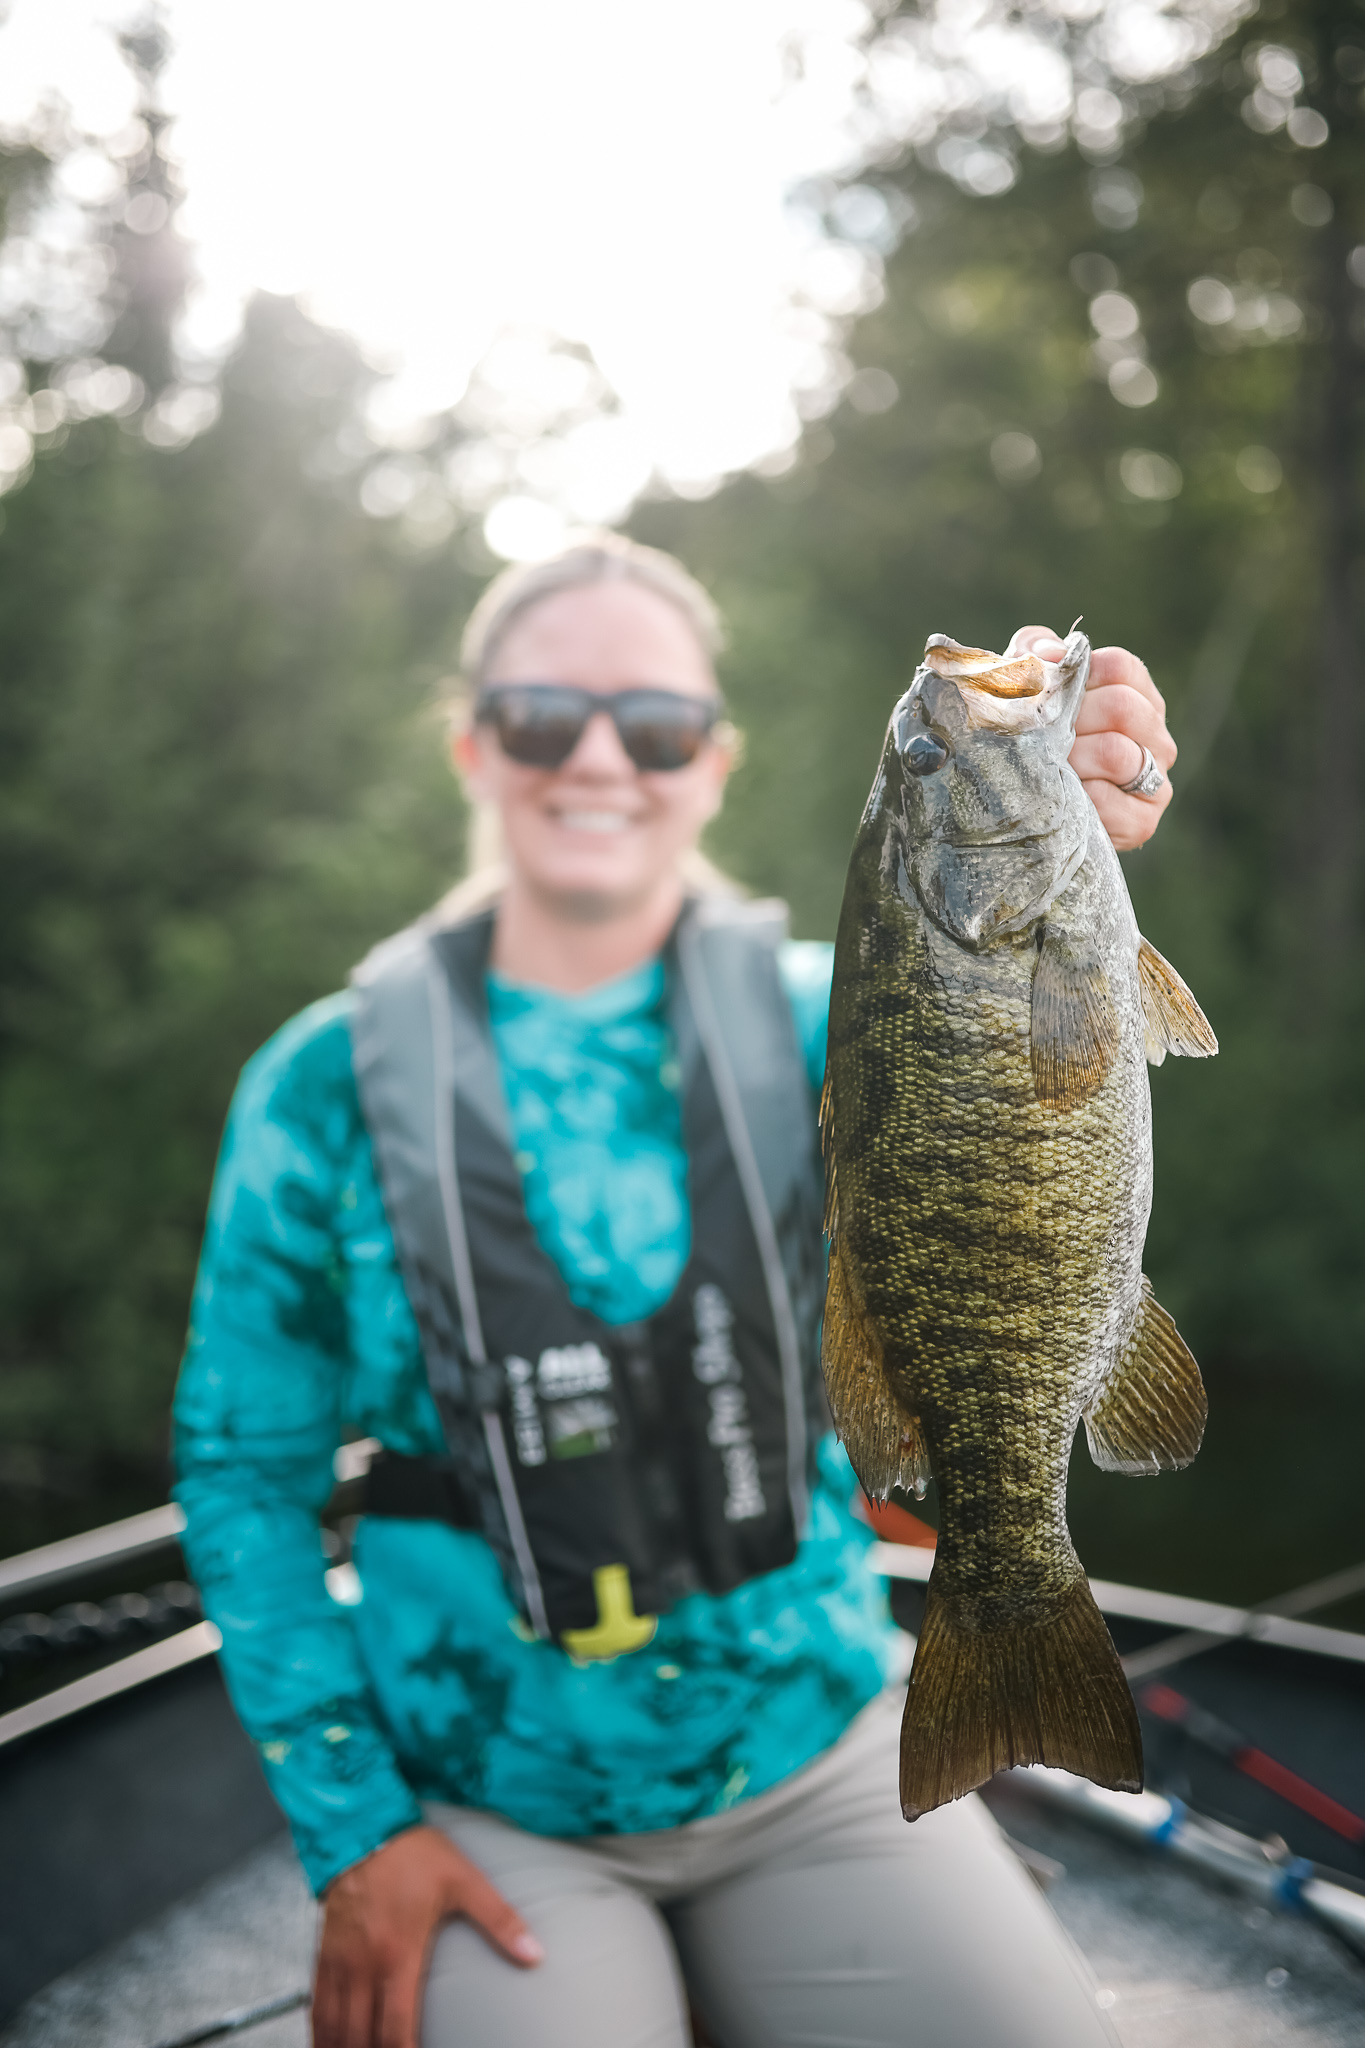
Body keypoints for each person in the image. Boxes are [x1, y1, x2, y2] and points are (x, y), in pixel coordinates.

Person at [173, 533, 1177, 2048]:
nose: (598, 759)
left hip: (817, 1745)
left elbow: (1035, 1115)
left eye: (649, 725)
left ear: (711, 760)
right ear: (472, 746)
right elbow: (244, 1477)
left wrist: (1083, 830)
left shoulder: (822, 1011)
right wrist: (352, 1828)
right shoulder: (321, 1083)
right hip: (487, 1791)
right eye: (538, 718)